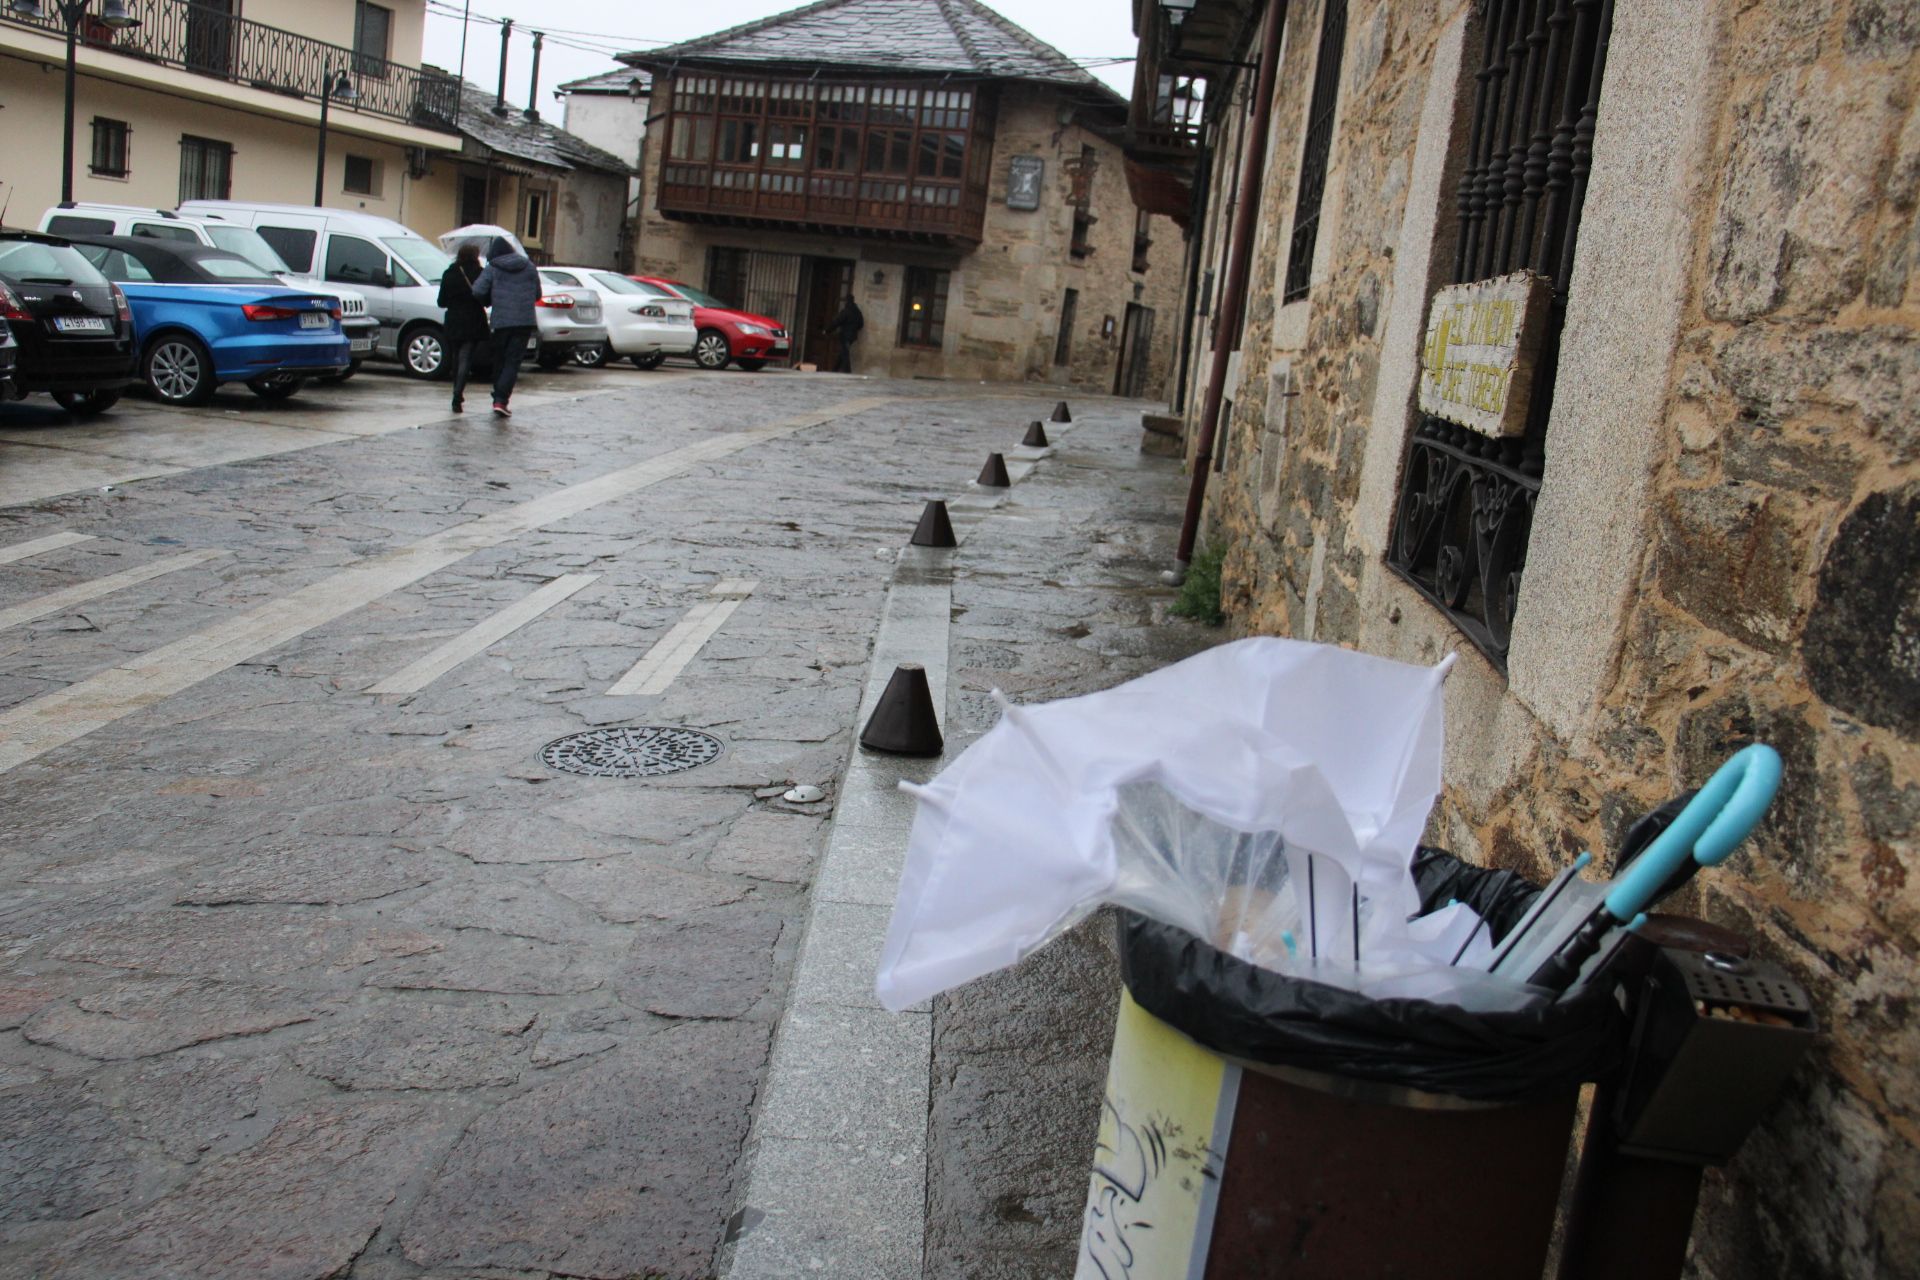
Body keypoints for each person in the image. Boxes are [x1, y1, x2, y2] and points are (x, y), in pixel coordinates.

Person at [468, 235, 540, 417]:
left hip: (501, 322)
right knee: (513, 361)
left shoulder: (493, 268)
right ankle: (501, 399)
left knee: (500, 360)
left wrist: (492, 297)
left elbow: (477, 290)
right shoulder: (529, 267)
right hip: (524, 321)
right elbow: (538, 294)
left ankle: (498, 398)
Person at [437, 243, 489, 413]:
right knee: (465, 358)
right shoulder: (481, 274)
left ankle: (456, 392)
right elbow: (486, 300)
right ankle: (457, 394)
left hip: (453, 319)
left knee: (455, 357)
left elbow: (441, 302)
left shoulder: (449, 273)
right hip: (473, 320)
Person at [827, 293, 864, 373]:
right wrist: (854, 328)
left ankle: (847, 372)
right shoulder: (857, 311)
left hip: (845, 336)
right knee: (843, 352)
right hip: (852, 336)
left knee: (845, 353)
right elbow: (861, 324)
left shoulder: (846, 311)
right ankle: (835, 369)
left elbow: (837, 322)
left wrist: (828, 330)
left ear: (846, 301)